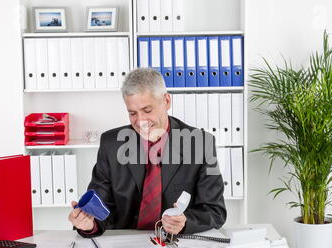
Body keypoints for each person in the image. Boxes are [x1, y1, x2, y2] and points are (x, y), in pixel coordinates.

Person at [68, 68, 226, 237]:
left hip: (176, 243)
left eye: (147, 110)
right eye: (133, 113)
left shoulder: (200, 144)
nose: (141, 121)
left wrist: (185, 222)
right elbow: (100, 205)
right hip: (124, 243)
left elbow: (214, 211)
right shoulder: (111, 144)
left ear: (166, 101)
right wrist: (88, 223)